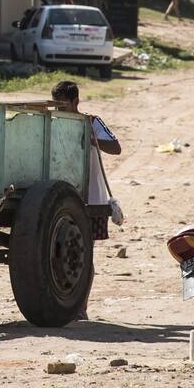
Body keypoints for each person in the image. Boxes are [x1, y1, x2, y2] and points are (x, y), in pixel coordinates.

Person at [51, 79, 122, 320]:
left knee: (83, 253)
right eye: (56, 105)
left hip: (92, 198)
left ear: (76, 102)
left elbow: (116, 147)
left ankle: (81, 307)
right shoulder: (52, 123)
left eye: (64, 105)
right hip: (60, 197)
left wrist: (93, 140)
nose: (60, 110)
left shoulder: (92, 122)